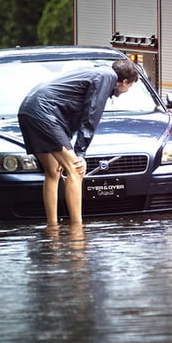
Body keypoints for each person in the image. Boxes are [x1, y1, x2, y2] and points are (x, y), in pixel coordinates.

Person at [18, 58, 138, 226]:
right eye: (129, 87)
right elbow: (92, 113)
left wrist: (68, 145)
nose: (126, 91)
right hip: (44, 111)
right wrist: (80, 152)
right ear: (124, 81)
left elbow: (71, 112)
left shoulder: (97, 71)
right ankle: (77, 229)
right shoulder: (107, 76)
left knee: (53, 171)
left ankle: (52, 227)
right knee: (76, 169)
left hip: (29, 109)